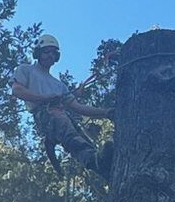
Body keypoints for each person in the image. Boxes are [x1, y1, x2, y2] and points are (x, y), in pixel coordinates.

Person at [12, 33, 114, 178]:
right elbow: (17, 90)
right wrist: (44, 98)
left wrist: (107, 112)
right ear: (38, 53)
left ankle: (103, 166)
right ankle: (94, 161)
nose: (50, 56)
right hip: (44, 114)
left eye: (54, 53)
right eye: (47, 51)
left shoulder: (59, 86)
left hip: (60, 114)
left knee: (80, 136)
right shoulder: (26, 70)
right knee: (70, 135)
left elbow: (79, 108)